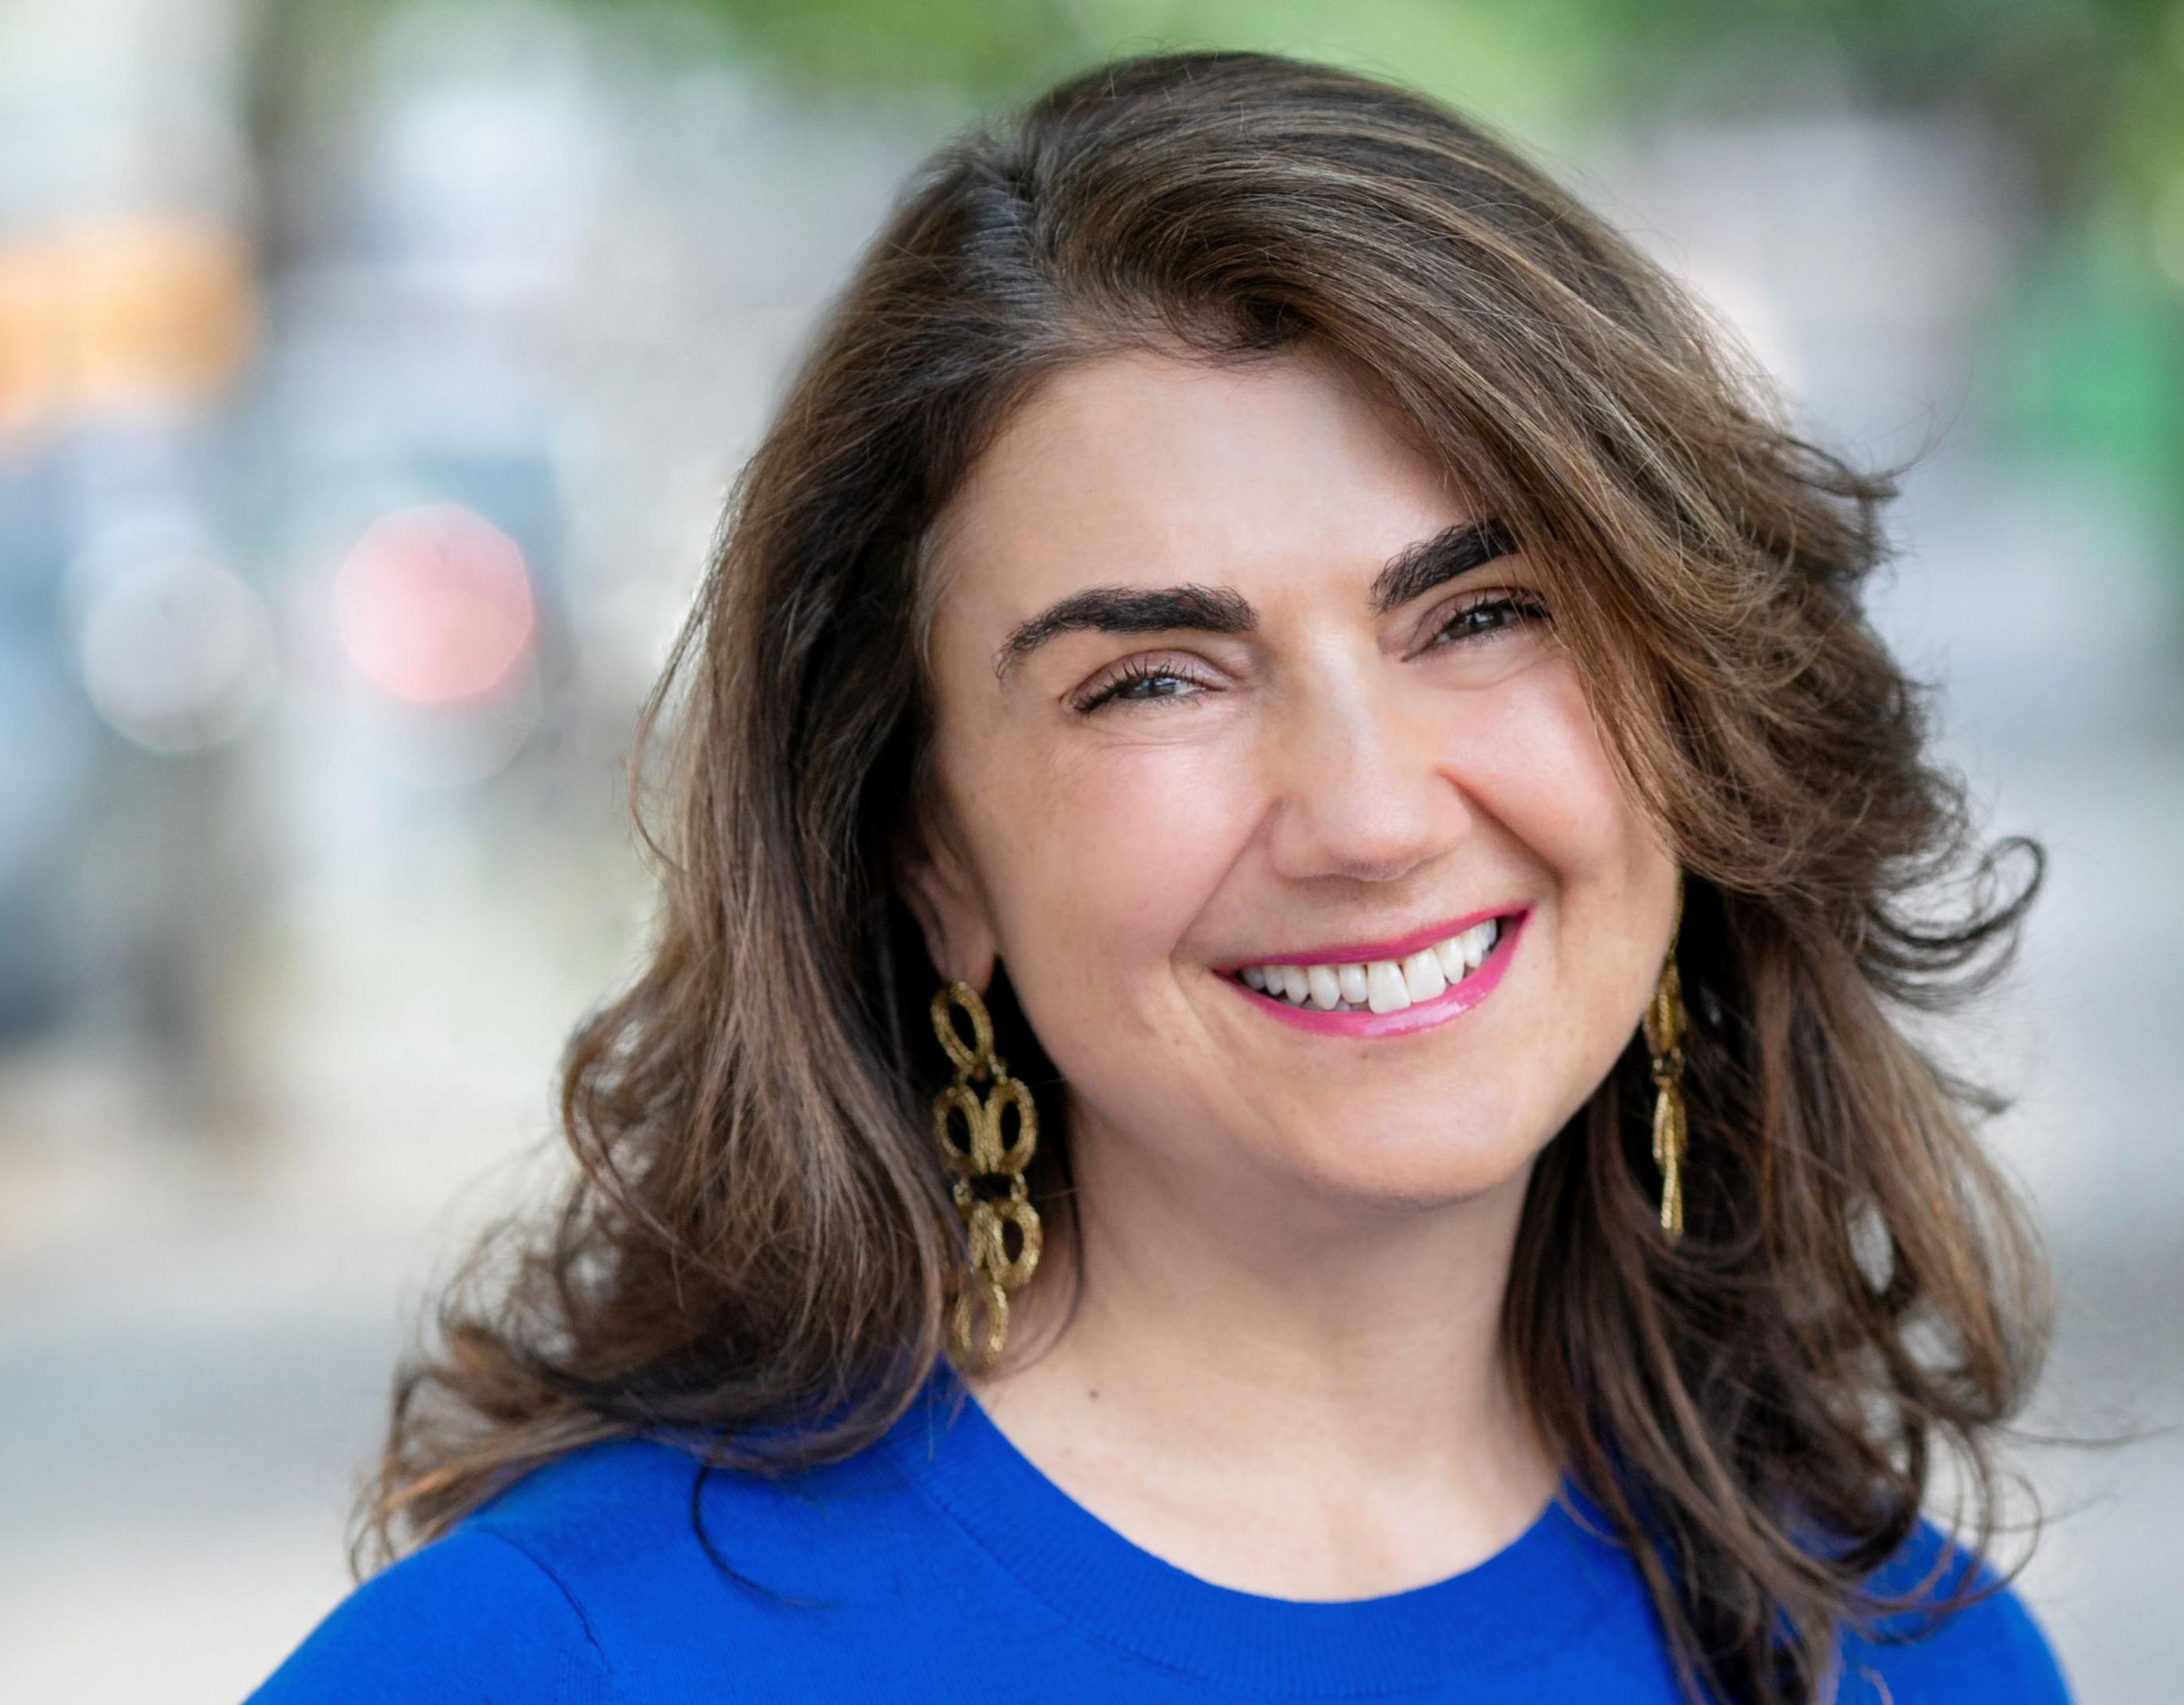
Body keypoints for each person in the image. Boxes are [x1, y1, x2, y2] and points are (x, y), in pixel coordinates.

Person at [249, 49, 2064, 1705]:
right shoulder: (545, 1667)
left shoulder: (1919, 1660)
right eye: (1155, 679)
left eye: (1486, 615)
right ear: (930, 851)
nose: (1368, 815)